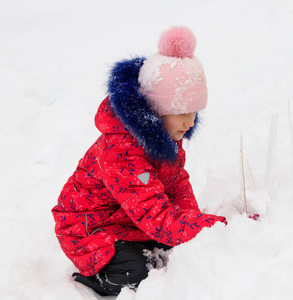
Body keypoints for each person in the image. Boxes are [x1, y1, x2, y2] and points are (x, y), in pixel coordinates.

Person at [51, 26, 227, 296]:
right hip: (90, 228)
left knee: (172, 243)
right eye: (180, 111)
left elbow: (176, 185)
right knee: (136, 273)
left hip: (128, 218)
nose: (189, 121)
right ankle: (97, 279)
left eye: (194, 111)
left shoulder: (166, 138)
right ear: (156, 110)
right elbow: (154, 215)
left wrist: (195, 221)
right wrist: (210, 227)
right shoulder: (121, 153)